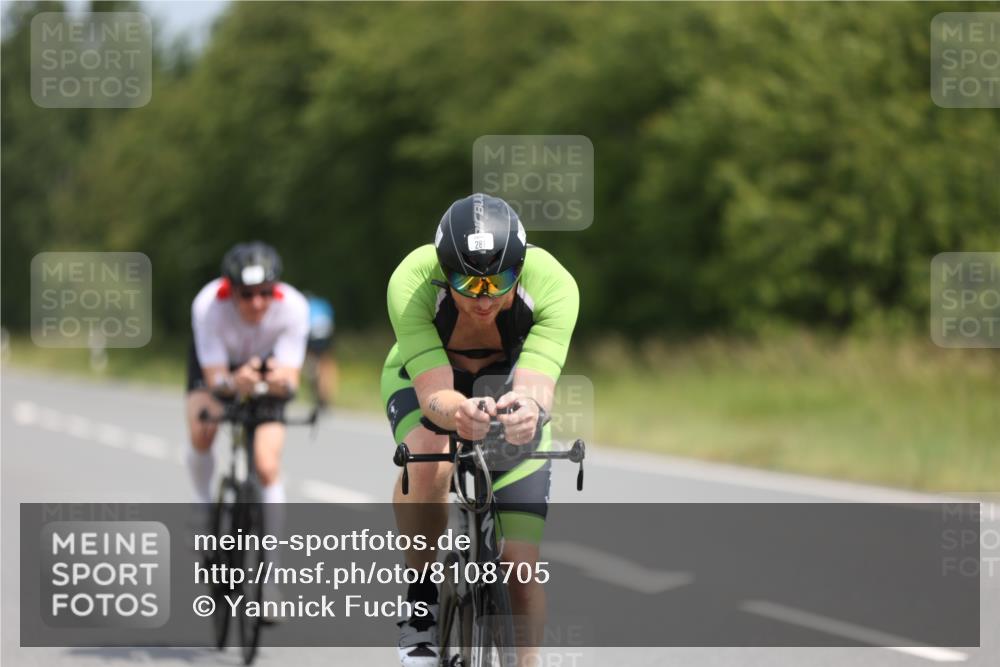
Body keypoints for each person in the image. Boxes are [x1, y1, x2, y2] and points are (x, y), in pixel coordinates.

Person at [381, 193, 579, 666]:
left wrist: (528, 409)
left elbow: (537, 385)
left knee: (520, 571)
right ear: (443, 271)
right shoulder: (412, 280)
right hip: (427, 380)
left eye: (500, 281)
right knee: (430, 453)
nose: (484, 298)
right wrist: (459, 414)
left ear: (521, 267)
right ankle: (421, 602)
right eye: (467, 282)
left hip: (508, 383)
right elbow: (435, 395)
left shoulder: (554, 283)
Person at [185, 242, 309, 560]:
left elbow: (291, 380)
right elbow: (215, 380)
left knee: (267, 465)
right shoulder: (208, 305)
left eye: (266, 293)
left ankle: (272, 570)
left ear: (276, 289)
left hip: (267, 368)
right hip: (218, 367)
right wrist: (233, 383)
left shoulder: (294, 306)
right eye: (247, 294)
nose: (257, 302)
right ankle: (202, 505)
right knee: (202, 428)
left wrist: (277, 382)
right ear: (230, 291)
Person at [303, 293, 339, 408]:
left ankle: (314, 376)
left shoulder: (304, 305)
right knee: (326, 363)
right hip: (326, 336)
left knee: (310, 363)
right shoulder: (323, 303)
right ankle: (325, 392)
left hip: (312, 336)